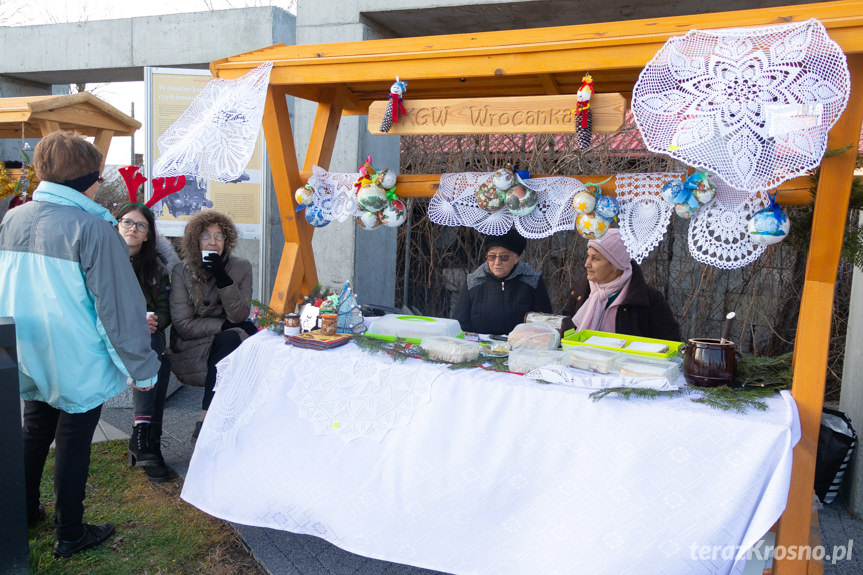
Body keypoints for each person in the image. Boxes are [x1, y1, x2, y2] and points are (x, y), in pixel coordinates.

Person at [0, 131, 160, 558]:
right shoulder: (94, 229)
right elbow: (119, 311)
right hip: (76, 356)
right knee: (72, 439)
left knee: (34, 430)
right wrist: (143, 370)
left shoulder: (12, 218)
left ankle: (23, 510)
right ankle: (70, 531)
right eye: (97, 175)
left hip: (25, 347)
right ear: (86, 179)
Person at [169, 210, 254, 440]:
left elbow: (239, 315)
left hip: (228, 338)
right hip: (193, 344)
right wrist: (223, 325)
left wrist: (222, 276)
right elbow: (184, 324)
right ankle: (215, 420)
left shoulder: (242, 267)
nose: (213, 242)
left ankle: (206, 419)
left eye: (219, 236)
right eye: (206, 236)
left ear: (227, 241)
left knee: (232, 341)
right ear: (196, 240)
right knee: (231, 338)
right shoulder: (181, 271)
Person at [114, 202, 180, 482]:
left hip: (146, 335)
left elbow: (165, 309)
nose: (133, 229)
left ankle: (148, 443)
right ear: (117, 225)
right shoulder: (104, 258)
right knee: (153, 357)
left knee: (158, 361)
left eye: (141, 226)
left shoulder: (157, 266)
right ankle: (145, 440)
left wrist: (155, 321)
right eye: (128, 222)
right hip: (110, 332)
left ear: (148, 235)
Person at [561, 228, 681, 341]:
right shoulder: (582, 288)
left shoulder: (650, 300)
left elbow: (669, 343)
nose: (587, 264)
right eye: (588, 256)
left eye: (595, 258)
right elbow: (565, 327)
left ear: (615, 265)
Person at [453, 228, 552, 335]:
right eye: (492, 256)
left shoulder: (532, 281)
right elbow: (460, 323)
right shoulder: (473, 281)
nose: (497, 262)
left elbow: (544, 326)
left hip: (520, 347)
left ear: (516, 258)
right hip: (480, 346)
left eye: (504, 257)